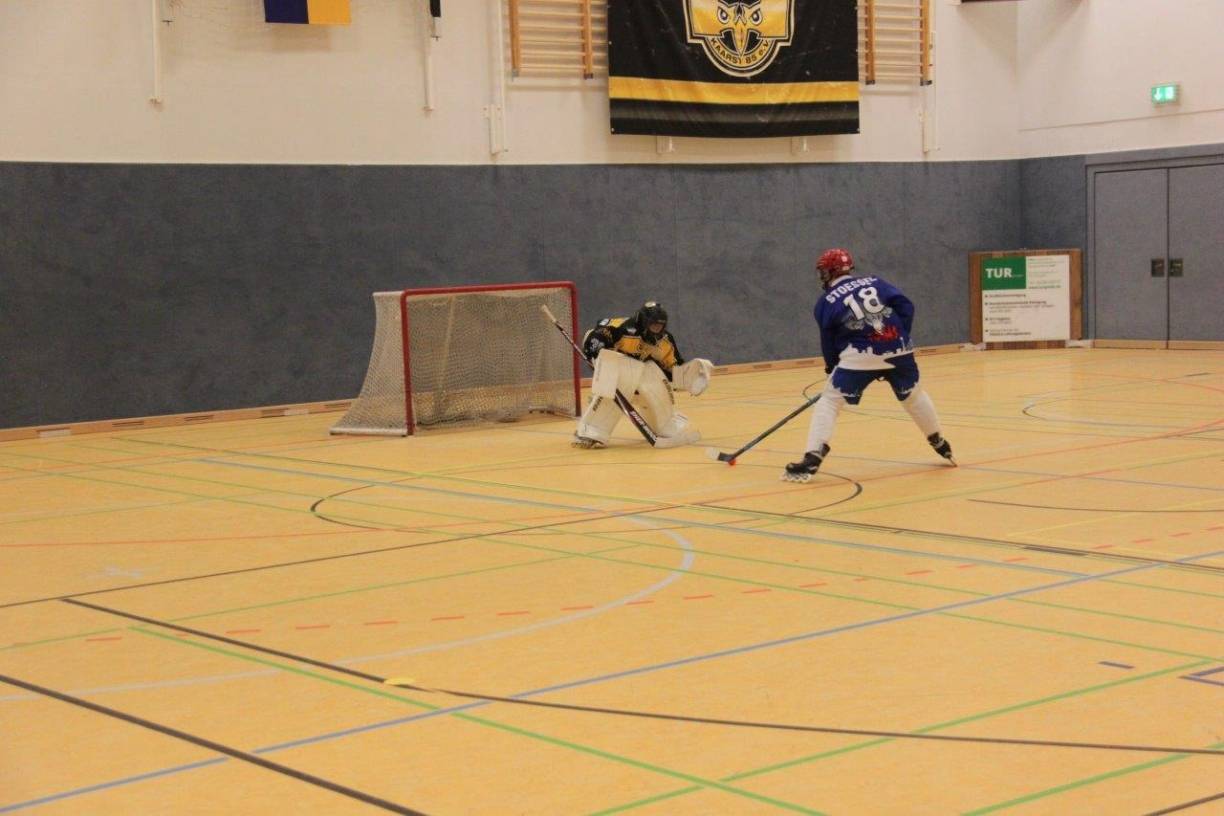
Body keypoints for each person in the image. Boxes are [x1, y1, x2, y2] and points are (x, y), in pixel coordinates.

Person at [783, 248, 956, 482]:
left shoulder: (825, 301)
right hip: (899, 350)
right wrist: (899, 336)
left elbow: (828, 339)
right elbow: (907, 307)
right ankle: (939, 441)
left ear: (831, 272)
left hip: (859, 355)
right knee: (913, 396)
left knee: (830, 400)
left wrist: (831, 366)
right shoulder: (876, 281)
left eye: (824, 271)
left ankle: (813, 456)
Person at [572, 301, 714, 449]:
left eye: (660, 326)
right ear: (644, 322)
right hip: (616, 369)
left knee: (658, 382)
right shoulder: (623, 328)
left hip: (641, 370)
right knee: (627, 374)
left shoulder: (665, 340)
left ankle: (663, 426)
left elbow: (674, 367)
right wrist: (594, 346)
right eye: (653, 326)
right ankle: (592, 430)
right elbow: (597, 332)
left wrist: (689, 377)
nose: (657, 330)